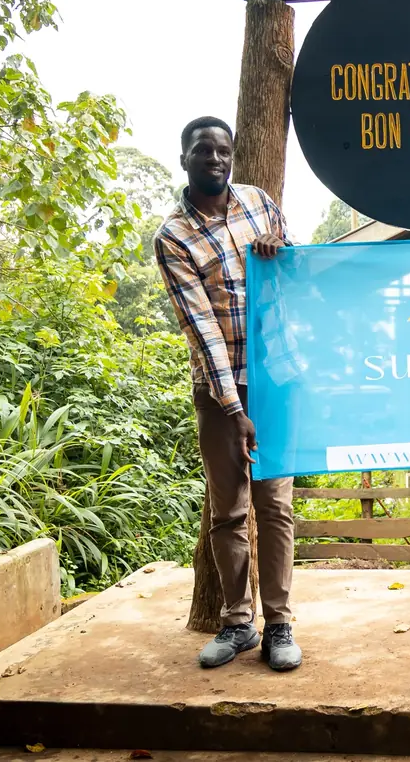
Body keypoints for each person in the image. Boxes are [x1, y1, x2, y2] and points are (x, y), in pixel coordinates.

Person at [154, 116, 302, 672]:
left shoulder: (260, 204)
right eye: (202, 150)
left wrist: (278, 250)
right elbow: (202, 330)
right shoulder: (173, 236)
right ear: (185, 158)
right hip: (221, 394)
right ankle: (238, 623)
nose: (214, 158)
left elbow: (295, 277)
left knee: (276, 505)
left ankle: (280, 624)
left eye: (223, 150)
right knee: (229, 510)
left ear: (232, 157)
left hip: (277, 379)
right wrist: (235, 410)